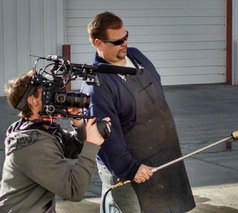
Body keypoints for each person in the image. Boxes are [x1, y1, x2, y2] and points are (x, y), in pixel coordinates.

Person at [81, 12, 195, 213]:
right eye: (117, 42)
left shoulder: (136, 56)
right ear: (98, 43)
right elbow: (105, 137)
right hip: (130, 170)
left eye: (126, 37)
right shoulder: (97, 85)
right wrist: (130, 168)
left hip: (164, 158)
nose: (124, 43)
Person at [0, 70, 109, 212]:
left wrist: (78, 123)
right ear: (32, 101)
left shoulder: (40, 129)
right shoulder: (31, 143)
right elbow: (74, 190)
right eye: (47, 94)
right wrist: (92, 144)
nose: (55, 97)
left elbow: (75, 148)